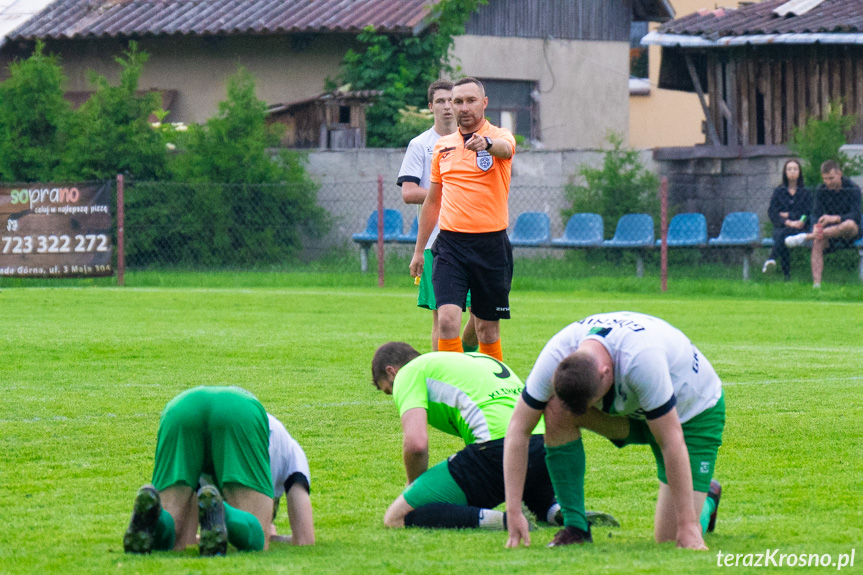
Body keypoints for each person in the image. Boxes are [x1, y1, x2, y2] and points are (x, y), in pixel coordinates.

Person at [503, 312, 724, 550]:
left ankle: (707, 498)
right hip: (635, 413)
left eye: (594, 401)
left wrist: (688, 525)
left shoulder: (642, 360)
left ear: (605, 372)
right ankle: (576, 527)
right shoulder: (557, 353)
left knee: (671, 537)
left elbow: (671, 439)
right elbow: (518, 429)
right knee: (557, 408)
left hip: (690, 416)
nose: (591, 409)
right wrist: (513, 510)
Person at [370, 342, 563, 531]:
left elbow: (416, 444)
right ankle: (552, 509)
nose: (394, 395)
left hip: (501, 448)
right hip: (546, 446)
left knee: (396, 516)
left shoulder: (408, 372)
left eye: (390, 390)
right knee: (528, 474)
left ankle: (507, 520)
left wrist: (414, 488)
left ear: (392, 372)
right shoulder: (473, 359)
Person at [123, 386, 314, 555]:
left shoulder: (208, 489)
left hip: (181, 406)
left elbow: (188, 540)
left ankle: (154, 516)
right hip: (240, 411)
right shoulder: (292, 453)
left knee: (174, 536)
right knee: (258, 539)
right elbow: (305, 539)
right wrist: (270, 533)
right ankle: (225, 513)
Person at [409, 77, 516, 362]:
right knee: (446, 321)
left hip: (491, 245)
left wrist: (487, 144)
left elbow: (505, 149)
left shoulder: (500, 136)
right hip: (451, 245)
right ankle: (450, 391)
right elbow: (433, 201)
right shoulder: (443, 147)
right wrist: (420, 250)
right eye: (458, 101)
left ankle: (495, 390)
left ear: (484, 103)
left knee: (486, 329)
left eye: (470, 100)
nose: (464, 107)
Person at [397, 80, 478, 352]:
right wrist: (446, 193)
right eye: (440, 101)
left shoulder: (474, 141)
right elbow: (408, 192)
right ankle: (444, 371)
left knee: (481, 313)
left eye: (450, 101)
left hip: (477, 237)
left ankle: (462, 356)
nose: (446, 107)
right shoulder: (420, 145)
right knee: (443, 318)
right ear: (431, 106)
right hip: (437, 242)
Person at [785, 160, 862, 287]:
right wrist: (816, 226)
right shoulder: (822, 190)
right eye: (825, 179)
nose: (828, 182)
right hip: (829, 233)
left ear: (840, 174)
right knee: (818, 240)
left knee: (848, 224)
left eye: (831, 178)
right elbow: (815, 214)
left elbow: (856, 216)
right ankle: (817, 285)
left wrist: (835, 218)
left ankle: (806, 237)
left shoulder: (853, 188)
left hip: (850, 231)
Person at [763, 159, 811, 280]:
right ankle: (787, 277)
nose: (792, 172)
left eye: (795, 169)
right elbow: (772, 212)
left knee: (784, 235)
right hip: (782, 226)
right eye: (789, 169)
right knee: (783, 235)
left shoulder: (805, 193)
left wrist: (792, 217)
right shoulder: (779, 191)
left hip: (799, 228)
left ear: (799, 172)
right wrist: (787, 221)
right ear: (785, 172)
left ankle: (771, 259)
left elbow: (806, 212)